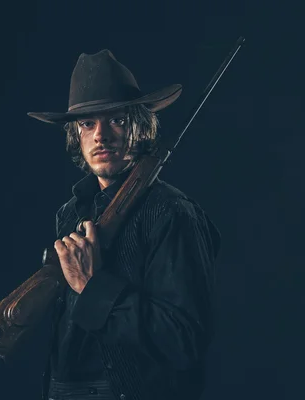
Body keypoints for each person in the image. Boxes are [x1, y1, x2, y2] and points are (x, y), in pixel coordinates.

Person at [27, 49, 221, 400]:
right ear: (76, 134)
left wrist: (95, 286)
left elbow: (185, 341)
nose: (101, 135)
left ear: (139, 127)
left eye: (116, 119)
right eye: (88, 123)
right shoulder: (69, 214)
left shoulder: (172, 213)